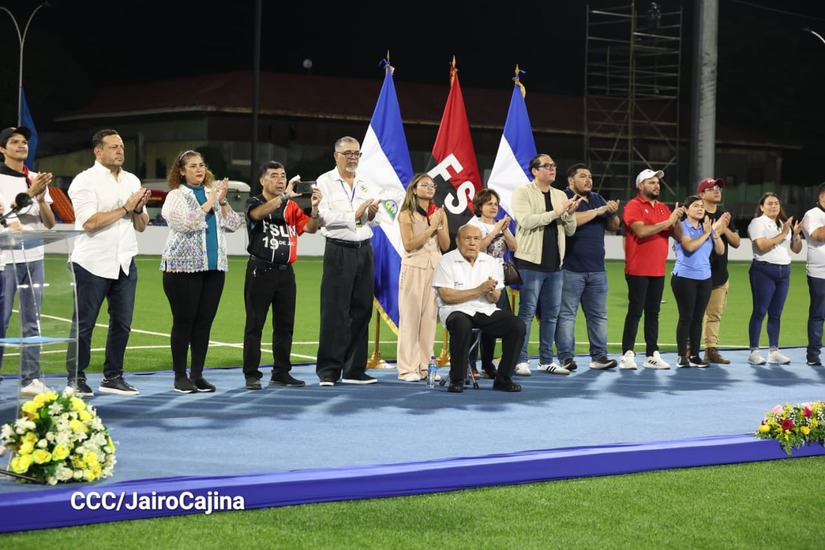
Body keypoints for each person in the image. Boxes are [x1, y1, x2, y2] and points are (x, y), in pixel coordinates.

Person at [65, 129, 151, 397]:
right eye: (113, 147)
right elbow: (90, 223)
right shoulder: (84, 181)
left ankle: (113, 376)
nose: (120, 151)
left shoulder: (132, 180)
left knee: (122, 324)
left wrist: (138, 210)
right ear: (98, 151)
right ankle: (75, 378)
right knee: (84, 324)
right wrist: (125, 208)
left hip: (125, 261)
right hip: (92, 263)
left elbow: (141, 226)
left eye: (122, 146)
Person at [160, 150, 243, 393]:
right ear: (181, 171)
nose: (199, 169)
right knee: (184, 322)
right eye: (193, 166)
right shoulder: (175, 196)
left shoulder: (212, 194)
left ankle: (197, 375)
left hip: (214, 268)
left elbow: (234, 224)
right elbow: (186, 223)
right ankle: (179, 376)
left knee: (204, 323)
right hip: (183, 268)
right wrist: (209, 203)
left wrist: (223, 201)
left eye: (201, 165)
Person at [243, 161, 322, 389]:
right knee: (255, 324)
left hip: (286, 273)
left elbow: (310, 228)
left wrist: (314, 209)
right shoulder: (254, 202)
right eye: (274, 175)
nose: (280, 180)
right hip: (261, 270)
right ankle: (251, 374)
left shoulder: (292, 207)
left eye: (283, 175)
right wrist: (284, 197)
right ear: (262, 181)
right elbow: (257, 214)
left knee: (285, 326)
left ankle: (281, 372)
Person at [315, 136, 381, 386]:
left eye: (357, 153)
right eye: (348, 153)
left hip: (364, 249)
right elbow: (323, 218)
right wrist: (354, 214)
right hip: (339, 250)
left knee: (362, 309)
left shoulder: (366, 182)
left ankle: (354, 369)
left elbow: (375, 220)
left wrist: (371, 214)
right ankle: (329, 370)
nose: (353, 158)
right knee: (335, 311)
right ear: (336, 156)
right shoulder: (325, 181)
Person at [432, 224, 525, 393]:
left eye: (476, 239)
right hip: (456, 310)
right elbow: (447, 296)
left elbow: (495, 298)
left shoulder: (490, 262)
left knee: (517, 326)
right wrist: (479, 290)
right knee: (461, 324)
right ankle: (457, 379)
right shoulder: (446, 261)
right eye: (467, 238)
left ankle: (503, 378)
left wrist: (490, 291)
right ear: (457, 241)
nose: (472, 243)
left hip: (484, 309)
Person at [510, 154, 579, 377]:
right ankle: (520, 359)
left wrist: (569, 215)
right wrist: (556, 213)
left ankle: (546, 360)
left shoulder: (560, 195)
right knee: (527, 312)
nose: (552, 169)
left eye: (554, 165)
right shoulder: (523, 192)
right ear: (534, 171)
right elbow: (526, 221)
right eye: (547, 165)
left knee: (551, 315)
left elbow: (570, 231)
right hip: (530, 262)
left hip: (555, 264)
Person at [0, 126, 56, 396]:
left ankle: (30, 379)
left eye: (24, 141)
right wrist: (32, 193)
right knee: (1, 321)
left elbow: (50, 223)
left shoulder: (35, 178)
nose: (22, 145)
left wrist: (42, 200)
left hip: (34, 257)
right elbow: (6, 218)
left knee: (33, 321)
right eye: (14, 142)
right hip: (5, 259)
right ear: (2, 149)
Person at [555, 163, 621, 371]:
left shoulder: (597, 198)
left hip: (598, 269)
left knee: (598, 316)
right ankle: (566, 357)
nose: (588, 180)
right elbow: (571, 220)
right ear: (571, 180)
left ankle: (599, 357)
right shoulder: (563, 198)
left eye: (590, 176)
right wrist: (598, 211)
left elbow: (614, 226)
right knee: (566, 316)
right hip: (570, 268)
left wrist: (612, 213)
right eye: (583, 176)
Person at [620, 168, 684, 370]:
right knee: (635, 312)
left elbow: (678, 235)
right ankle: (627, 354)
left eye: (657, 182)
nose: (656, 185)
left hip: (658, 269)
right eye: (651, 182)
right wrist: (668, 221)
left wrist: (677, 220)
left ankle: (651, 354)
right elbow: (641, 231)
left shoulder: (664, 208)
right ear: (640, 186)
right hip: (638, 269)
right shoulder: (633, 205)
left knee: (653, 313)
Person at [396, 173, 450, 382]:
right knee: (410, 318)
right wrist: (431, 228)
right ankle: (407, 369)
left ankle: (425, 367)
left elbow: (445, 245)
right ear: (414, 189)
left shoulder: (439, 213)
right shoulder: (406, 214)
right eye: (424, 184)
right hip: (413, 267)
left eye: (432, 185)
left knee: (429, 319)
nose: (430, 188)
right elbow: (409, 244)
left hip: (434, 268)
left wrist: (440, 224)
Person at [670, 195, 728, 368]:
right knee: (686, 317)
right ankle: (682, 356)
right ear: (686, 210)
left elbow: (720, 250)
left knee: (697, 318)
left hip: (705, 279)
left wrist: (714, 233)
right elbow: (689, 246)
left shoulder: (706, 227)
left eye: (701, 206)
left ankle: (695, 355)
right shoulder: (681, 226)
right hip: (684, 278)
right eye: (695, 206)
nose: (700, 208)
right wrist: (707, 233)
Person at [746, 192, 803, 365]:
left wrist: (795, 234)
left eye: (776, 203)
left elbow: (796, 250)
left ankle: (774, 351)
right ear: (762, 207)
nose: (774, 206)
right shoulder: (757, 223)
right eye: (769, 203)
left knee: (776, 313)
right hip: (764, 270)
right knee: (760, 311)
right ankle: (754, 352)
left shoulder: (782, 224)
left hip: (784, 271)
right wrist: (784, 232)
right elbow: (761, 246)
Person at [466, 188, 517, 380]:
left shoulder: (499, 224)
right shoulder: (473, 225)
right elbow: (476, 248)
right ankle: (470, 364)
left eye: (496, 204)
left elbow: (514, 247)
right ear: (479, 206)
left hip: (499, 281)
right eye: (489, 204)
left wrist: (504, 230)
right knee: (475, 323)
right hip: (478, 280)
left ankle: (487, 364)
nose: (494, 207)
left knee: (493, 324)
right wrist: (495, 231)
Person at [697, 178, 740, 364]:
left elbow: (736, 242)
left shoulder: (724, 216)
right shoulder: (696, 213)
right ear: (701, 194)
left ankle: (711, 350)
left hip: (720, 274)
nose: (717, 191)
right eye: (711, 188)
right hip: (697, 273)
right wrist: (715, 229)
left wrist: (724, 228)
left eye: (718, 188)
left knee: (714, 315)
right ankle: (688, 350)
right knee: (693, 315)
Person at [802, 182, 825, 367]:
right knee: (818, 313)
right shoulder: (813, 214)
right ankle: (813, 354)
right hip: (820, 272)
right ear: (822, 197)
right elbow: (818, 235)